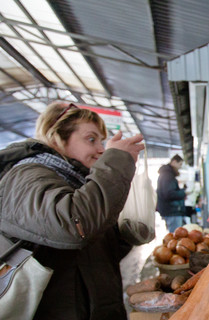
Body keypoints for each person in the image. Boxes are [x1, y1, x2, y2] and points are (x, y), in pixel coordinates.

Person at [0, 101, 145, 319]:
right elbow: (73, 227)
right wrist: (115, 163)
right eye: (91, 139)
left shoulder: (78, 182)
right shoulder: (26, 176)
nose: (100, 149)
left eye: (101, 141)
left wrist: (125, 231)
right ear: (57, 136)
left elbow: (99, 252)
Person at [156, 154, 188, 232]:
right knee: (176, 236)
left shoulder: (166, 174)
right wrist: (184, 192)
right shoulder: (167, 176)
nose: (180, 167)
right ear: (174, 162)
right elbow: (169, 194)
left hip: (170, 211)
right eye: (179, 164)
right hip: (172, 211)